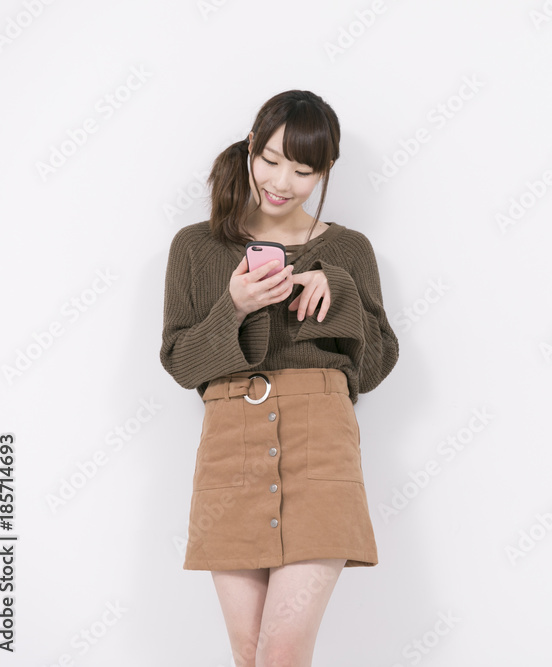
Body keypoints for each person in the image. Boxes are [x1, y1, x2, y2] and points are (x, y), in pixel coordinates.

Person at [159, 90, 399, 667]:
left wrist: (340, 294)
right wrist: (234, 307)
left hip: (321, 446)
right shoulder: (195, 247)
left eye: (303, 169)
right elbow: (180, 362)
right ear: (250, 146)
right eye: (270, 159)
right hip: (230, 450)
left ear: (326, 170)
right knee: (250, 656)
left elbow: (373, 368)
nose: (281, 181)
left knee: (282, 652)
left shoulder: (349, 250)